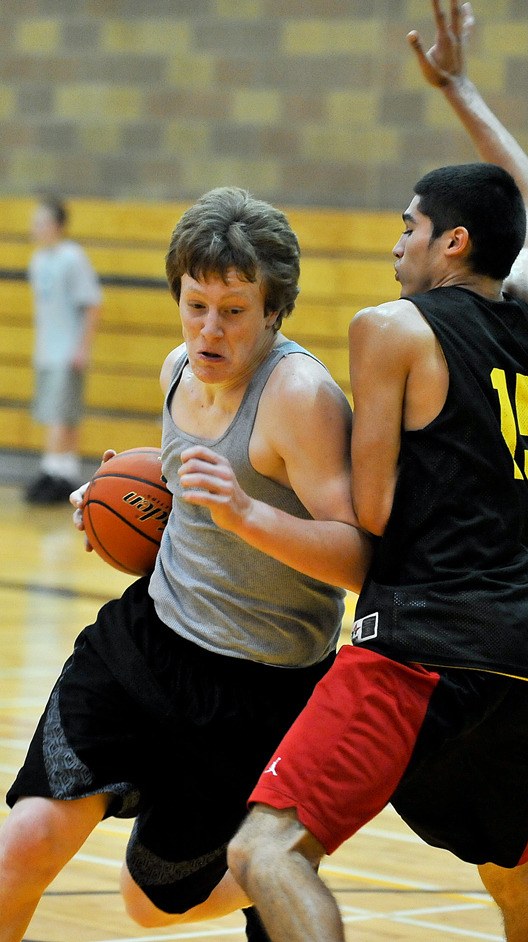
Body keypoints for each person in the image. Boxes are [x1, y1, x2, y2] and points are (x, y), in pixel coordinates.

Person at [228, 3, 528, 940]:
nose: (397, 242)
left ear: (451, 242)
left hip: (415, 648)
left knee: (264, 854)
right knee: (515, 869)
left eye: (409, 225)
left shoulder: (390, 328)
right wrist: (461, 91)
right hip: (524, 657)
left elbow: (371, 510)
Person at [0, 186, 372, 942]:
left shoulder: (300, 398)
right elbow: (181, 500)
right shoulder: (177, 369)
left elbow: (363, 557)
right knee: (23, 844)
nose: (208, 330)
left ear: (275, 311)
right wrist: (113, 506)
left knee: (151, 903)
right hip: (146, 643)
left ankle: (278, 866)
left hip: (253, 691)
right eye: (195, 304)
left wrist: (247, 514)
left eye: (233, 311)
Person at [24, 196, 102, 504]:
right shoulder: (38, 261)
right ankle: (64, 470)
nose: (36, 228)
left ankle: (54, 471)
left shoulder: (73, 258)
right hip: (46, 349)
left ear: (57, 226)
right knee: (55, 413)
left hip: (67, 350)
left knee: (61, 414)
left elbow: (93, 305)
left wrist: (81, 348)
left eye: (42, 222)